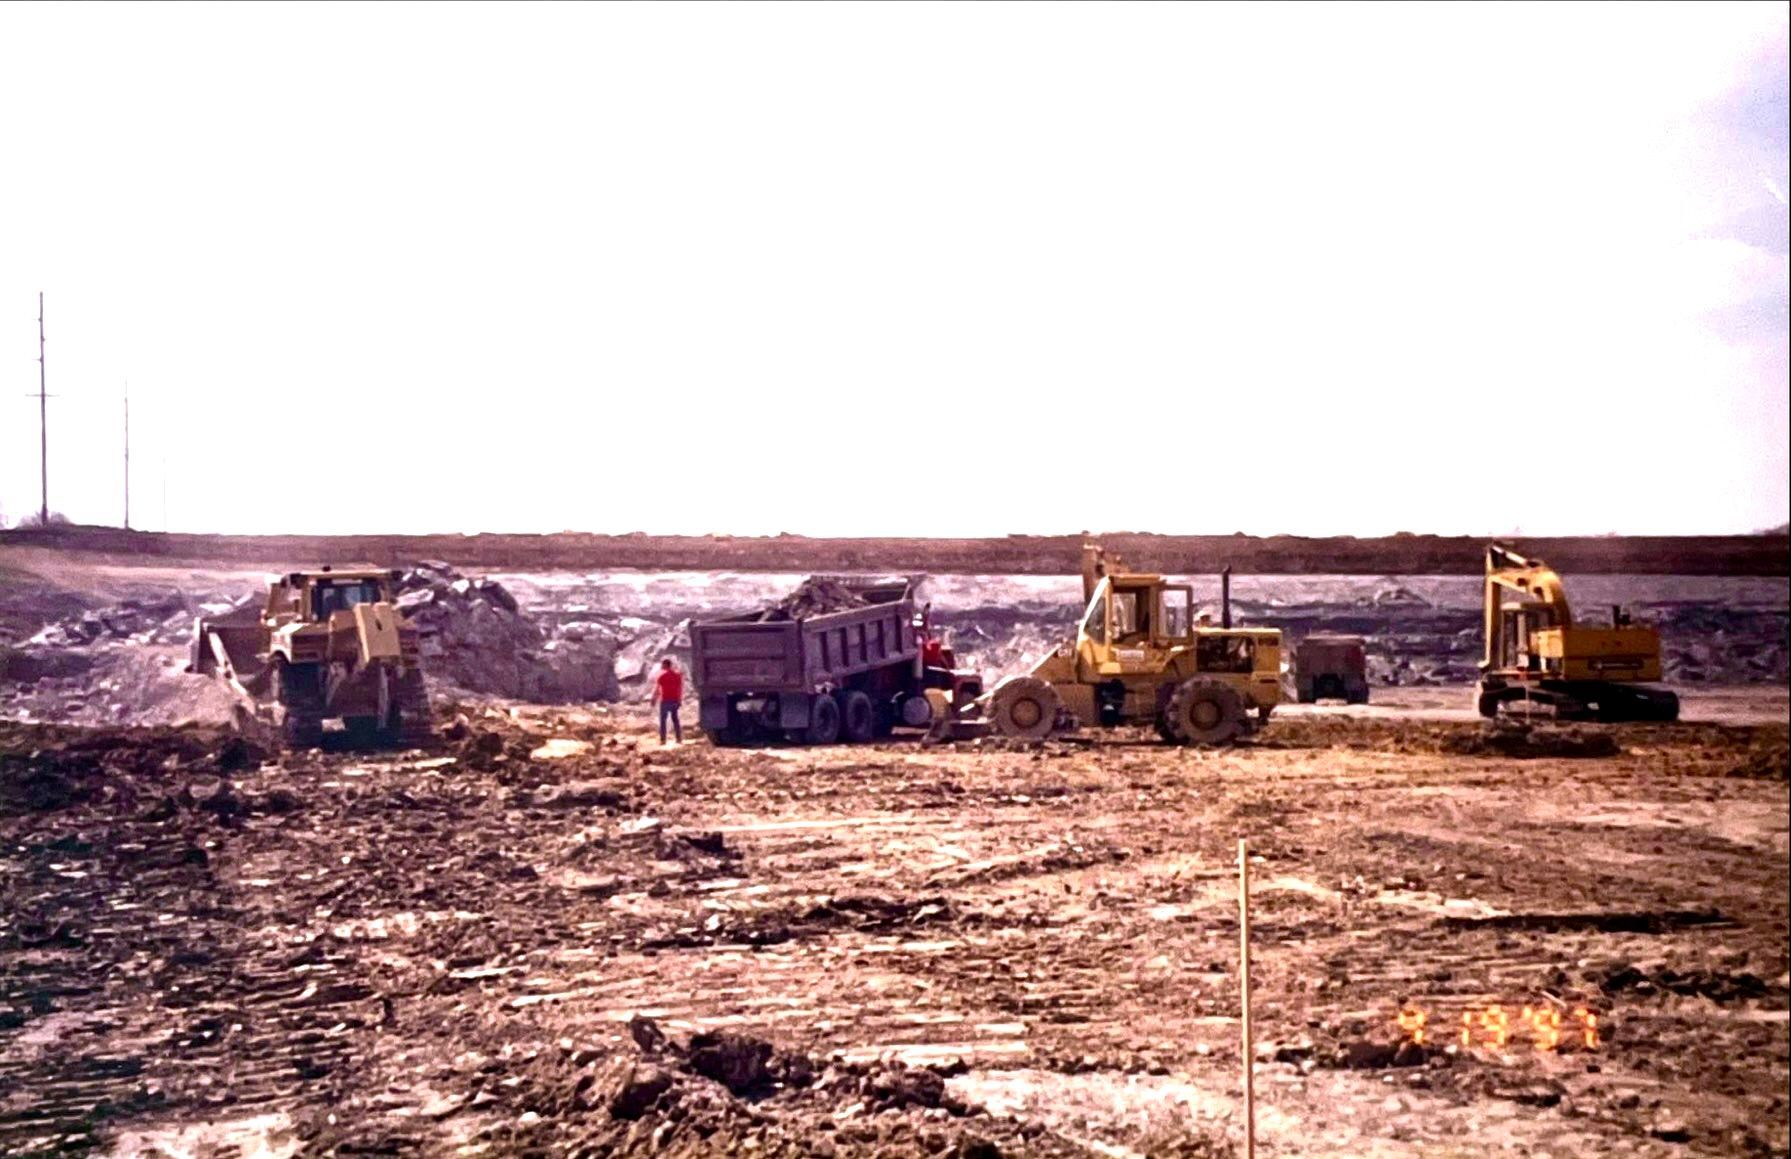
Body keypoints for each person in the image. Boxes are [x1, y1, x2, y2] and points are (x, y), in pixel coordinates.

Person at [651, 657, 684, 745]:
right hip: (675, 700)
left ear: (666, 665)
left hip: (665, 700)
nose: (661, 666)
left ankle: (663, 740)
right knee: (675, 719)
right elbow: (680, 689)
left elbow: (657, 689)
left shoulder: (662, 676)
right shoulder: (677, 676)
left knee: (663, 721)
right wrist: (680, 699)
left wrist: (653, 699)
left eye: (662, 664)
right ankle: (679, 738)